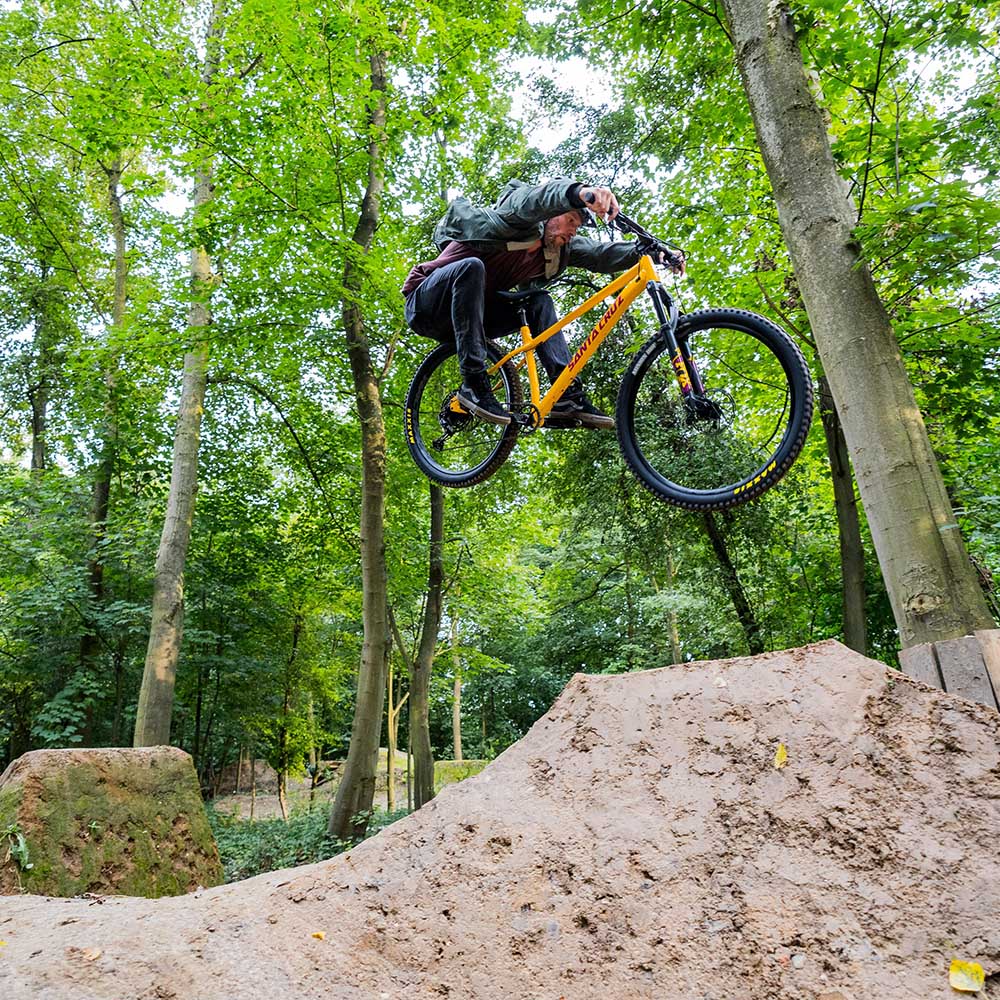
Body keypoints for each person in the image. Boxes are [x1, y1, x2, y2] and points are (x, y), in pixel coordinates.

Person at [401, 178, 648, 429]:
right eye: (571, 221)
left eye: (578, 227)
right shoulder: (517, 219)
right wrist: (579, 192)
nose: (573, 230)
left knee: (538, 301)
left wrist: (650, 251)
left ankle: (566, 395)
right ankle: (473, 384)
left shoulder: (557, 250)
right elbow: (535, 199)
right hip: (426, 304)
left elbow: (601, 255)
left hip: (474, 316)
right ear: (552, 214)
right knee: (472, 268)